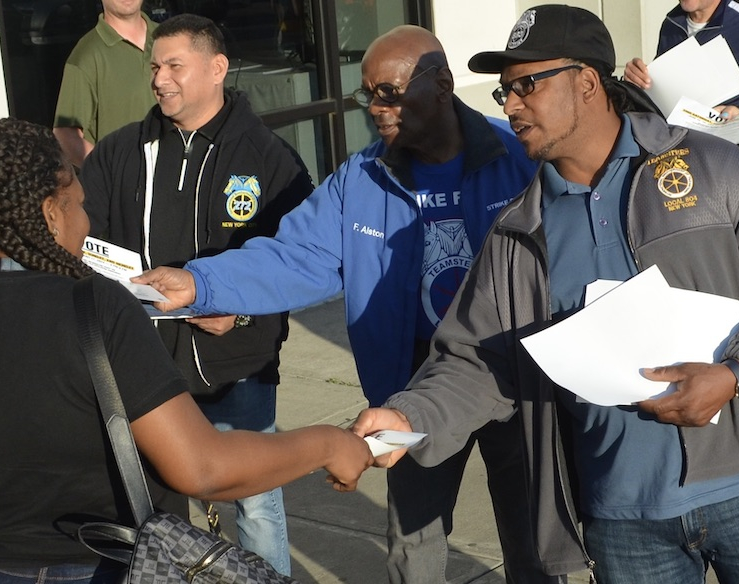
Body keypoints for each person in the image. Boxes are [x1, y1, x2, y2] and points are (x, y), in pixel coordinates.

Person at [345, 6, 739, 583]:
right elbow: (475, 363)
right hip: (624, 520)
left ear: (587, 82)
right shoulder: (516, 233)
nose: (509, 104)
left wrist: (736, 372)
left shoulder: (711, 167)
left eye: (528, 84)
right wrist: (407, 414)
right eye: (505, 90)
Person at [133, 24, 556, 584]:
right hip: (413, 388)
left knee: (535, 544)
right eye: (367, 94)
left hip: (513, 382)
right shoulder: (362, 178)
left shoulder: (520, 159)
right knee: (414, 548)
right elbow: (295, 257)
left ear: (443, 85)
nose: (376, 109)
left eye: (391, 93)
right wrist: (200, 283)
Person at [0, 117, 371, 584]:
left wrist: (18, 526)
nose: (87, 220)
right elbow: (203, 469)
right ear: (51, 212)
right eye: (78, 204)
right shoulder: (94, 307)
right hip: (121, 567)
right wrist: (330, 444)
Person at [79, 14, 313, 575]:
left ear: (217, 69)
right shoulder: (119, 154)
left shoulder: (270, 161)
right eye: (155, 66)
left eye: (174, 66)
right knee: (159, 512)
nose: (160, 79)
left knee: (255, 504)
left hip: (238, 368)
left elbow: (302, 263)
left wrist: (243, 320)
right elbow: (84, 245)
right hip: (143, 371)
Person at [623, 0, 739, 125]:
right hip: (682, 154)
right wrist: (637, 83)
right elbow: (662, 97)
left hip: (731, 158)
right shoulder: (671, 24)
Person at [54, 0, 158, 169]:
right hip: (126, 190)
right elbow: (65, 135)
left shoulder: (171, 39)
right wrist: (110, 174)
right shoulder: (86, 56)